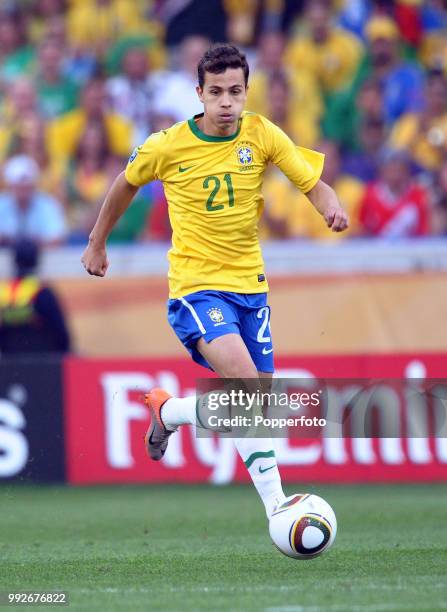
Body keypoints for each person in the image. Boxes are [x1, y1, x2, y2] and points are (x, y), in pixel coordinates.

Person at [81, 44, 348, 519]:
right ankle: (279, 509)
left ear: (247, 92)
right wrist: (98, 241)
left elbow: (312, 182)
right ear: (200, 93)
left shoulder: (262, 133)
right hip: (196, 287)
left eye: (237, 92)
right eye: (218, 92)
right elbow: (125, 184)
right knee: (247, 386)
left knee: (256, 403)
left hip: (251, 286)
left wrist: (329, 205)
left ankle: (170, 412)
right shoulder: (167, 145)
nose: (228, 102)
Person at [0, 238, 71, 355]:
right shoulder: (43, 292)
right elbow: (61, 334)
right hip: (44, 363)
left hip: (10, 366)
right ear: (37, 260)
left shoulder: (3, 293)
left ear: (15, 261)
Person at [0, 155, 67, 247]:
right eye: (19, 186)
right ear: (11, 186)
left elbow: (58, 238)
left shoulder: (48, 204)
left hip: (43, 260)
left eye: (27, 186)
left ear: (34, 185)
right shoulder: (2, 204)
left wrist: (33, 244)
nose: (23, 190)